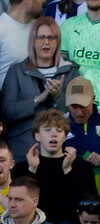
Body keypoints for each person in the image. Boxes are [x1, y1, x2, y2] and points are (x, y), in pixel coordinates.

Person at [1, 18, 81, 161]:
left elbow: (79, 114)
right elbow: (7, 112)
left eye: (52, 37)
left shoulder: (71, 71)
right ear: (33, 41)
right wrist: (38, 99)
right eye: (41, 37)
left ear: (58, 42)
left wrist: (57, 98)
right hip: (23, 150)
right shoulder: (17, 71)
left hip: (61, 151)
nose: (46, 42)